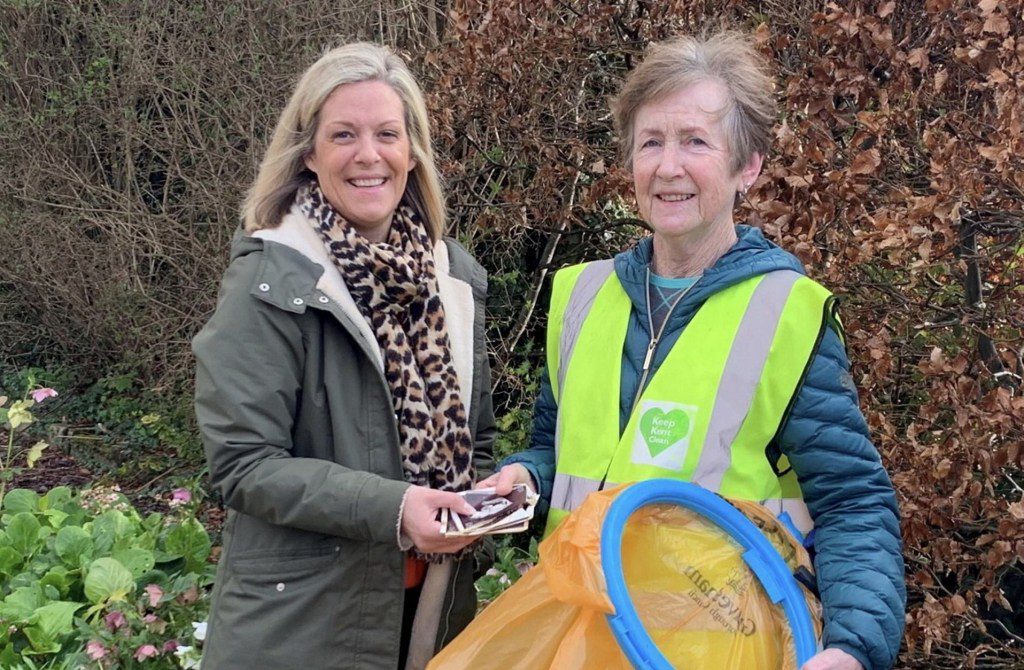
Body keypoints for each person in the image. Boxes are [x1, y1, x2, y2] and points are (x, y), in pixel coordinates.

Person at [479, 31, 905, 670]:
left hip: (714, 651)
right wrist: (523, 479)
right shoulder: (581, 296)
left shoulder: (786, 314)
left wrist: (853, 648)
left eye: (696, 142)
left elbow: (851, 501)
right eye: (651, 142)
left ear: (748, 166)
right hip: (570, 638)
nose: (668, 166)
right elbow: (556, 451)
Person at [193, 42, 495, 670]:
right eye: (343, 135)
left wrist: (489, 506)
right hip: (302, 628)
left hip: (430, 618)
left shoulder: (454, 281)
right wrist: (396, 509)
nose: (368, 154)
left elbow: (479, 441)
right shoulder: (271, 282)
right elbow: (243, 465)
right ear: (308, 153)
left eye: (387, 133)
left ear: (411, 152)